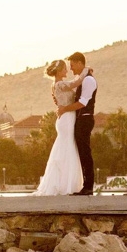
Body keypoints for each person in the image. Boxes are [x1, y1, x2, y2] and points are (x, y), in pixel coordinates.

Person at [33, 60, 90, 195]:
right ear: (59, 71)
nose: (67, 71)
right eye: (65, 69)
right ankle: (66, 185)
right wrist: (86, 71)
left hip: (66, 118)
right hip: (67, 119)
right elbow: (75, 83)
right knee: (68, 147)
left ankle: (65, 183)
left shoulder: (56, 85)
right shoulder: (60, 84)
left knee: (66, 148)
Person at [56, 52, 98, 196]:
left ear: (80, 63)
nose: (71, 69)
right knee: (81, 152)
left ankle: (88, 186)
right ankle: (85, 185)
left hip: (85, 118)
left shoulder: (88, 81)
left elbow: (82, 103)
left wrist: (64, 109)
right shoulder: (83, 79)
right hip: (80, 119)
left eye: (73, 65)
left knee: (85, 152)